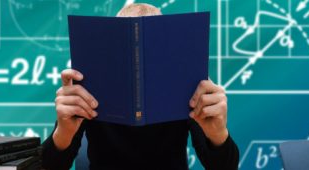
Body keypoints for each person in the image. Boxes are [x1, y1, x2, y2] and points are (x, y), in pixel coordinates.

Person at [42, 3, 239, 170]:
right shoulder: (89, 81)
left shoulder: (186, 82)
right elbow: (49, 166)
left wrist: (217, 134)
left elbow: (224, 166)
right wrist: (64, 132)